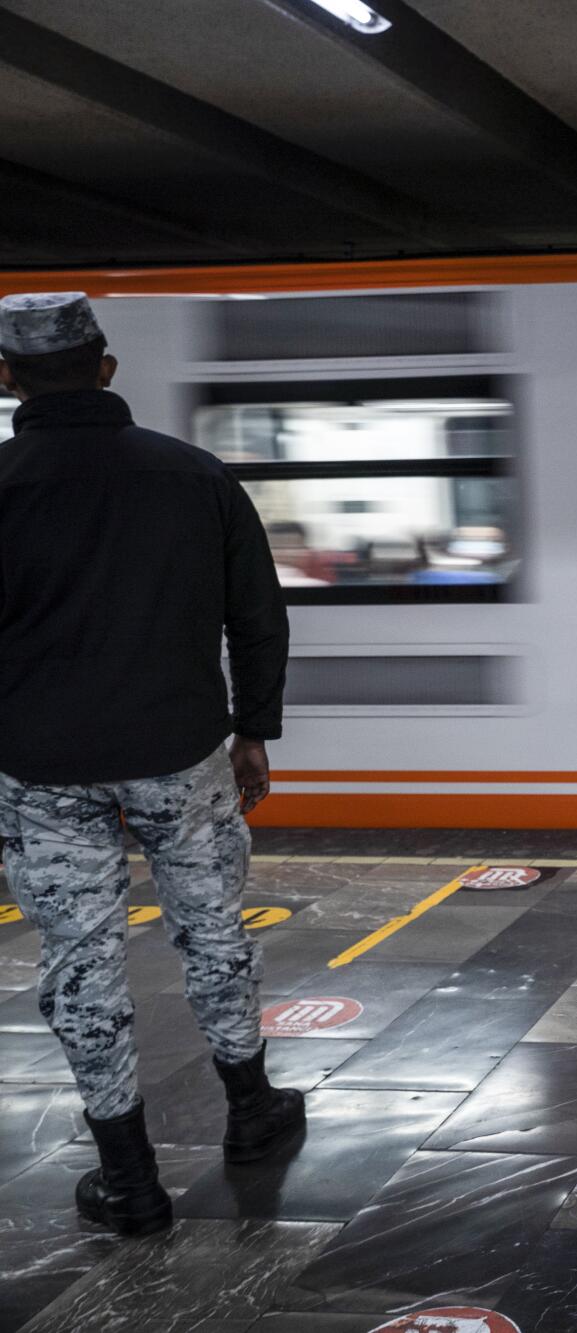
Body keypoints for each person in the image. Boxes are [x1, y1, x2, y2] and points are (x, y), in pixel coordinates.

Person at [0, 292, 305, 1237]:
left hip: (41, 766)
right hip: (183, 753)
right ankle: (251, 1110)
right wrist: (253, 728)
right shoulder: (195, 475)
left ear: (7, 379)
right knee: (213, 926)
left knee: (81, 959)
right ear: (107, 367)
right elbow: (256, 614)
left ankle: (129, 1178)